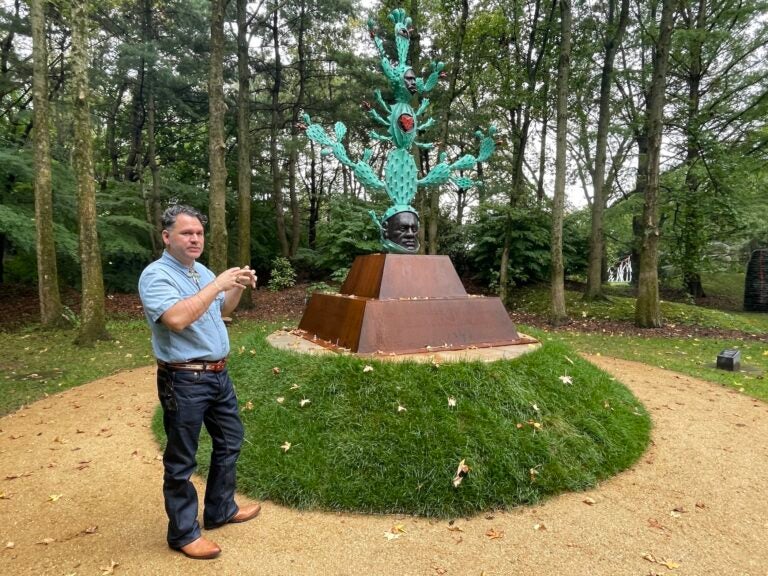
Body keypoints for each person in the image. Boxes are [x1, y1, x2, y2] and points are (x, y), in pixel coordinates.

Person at [138, 205, 261, 560]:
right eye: (186, 233)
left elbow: (223, 310)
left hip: (217, 375)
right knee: (182, 459)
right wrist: (217, 284)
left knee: (229, 441)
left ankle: (220, 509)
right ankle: (183, 533)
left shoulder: (200, 271)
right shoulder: (156, 275)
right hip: (184, 379)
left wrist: (234, 286)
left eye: (199, 234)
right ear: (167, 237)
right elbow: (176, 318)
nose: (195, 239)